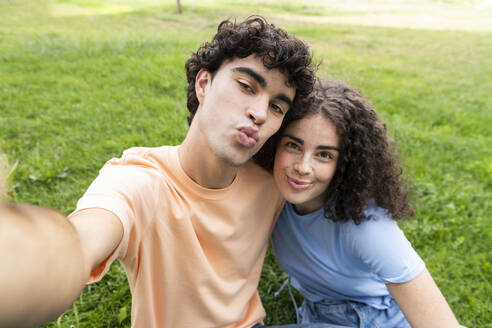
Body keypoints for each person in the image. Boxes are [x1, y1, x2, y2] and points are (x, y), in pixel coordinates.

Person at [0, 16, 316, 328]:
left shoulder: (273, 183)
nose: (260, 113)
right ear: (204, 84)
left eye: (277, 107)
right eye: (246, 86)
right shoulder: (142, 181)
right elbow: (81, 240)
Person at [262, 80, 462, 327]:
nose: (303, 167)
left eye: (324, 155)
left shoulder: (364, 223)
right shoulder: (270, 197)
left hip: (372, 319)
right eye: (293, 145)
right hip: (320, 314)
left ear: (346, 163)